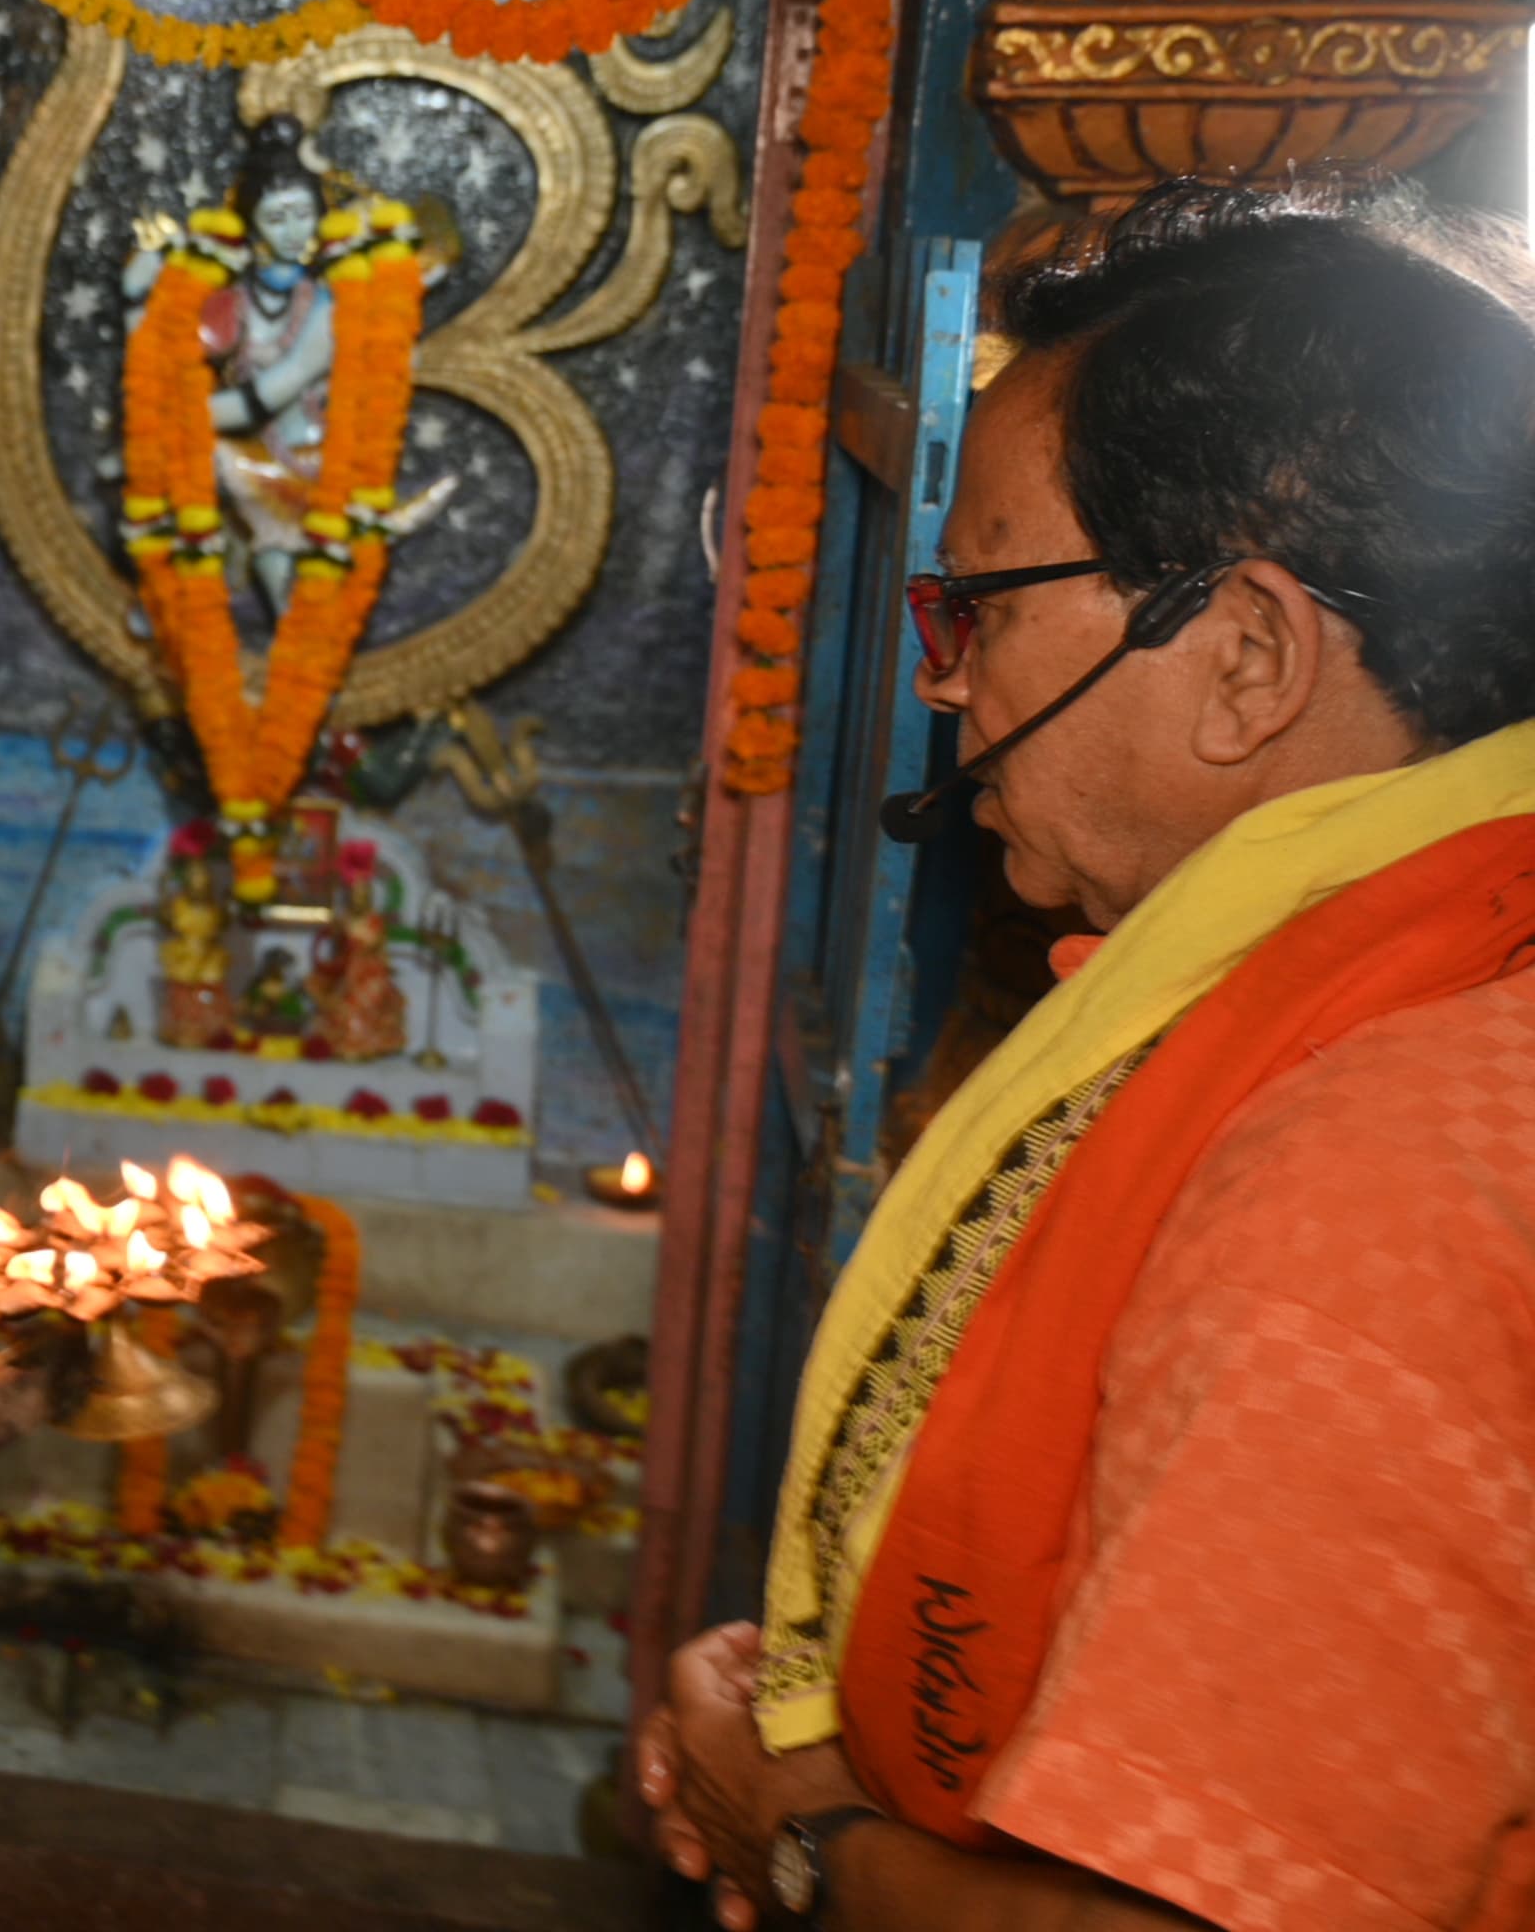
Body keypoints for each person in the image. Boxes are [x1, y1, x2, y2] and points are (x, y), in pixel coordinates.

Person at [640, 177, 1535, 1929]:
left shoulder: (1373, 1177)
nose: (947, 685)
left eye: (977, 608)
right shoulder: (1386, 983)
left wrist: (806, 1838)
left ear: (1248, 656)